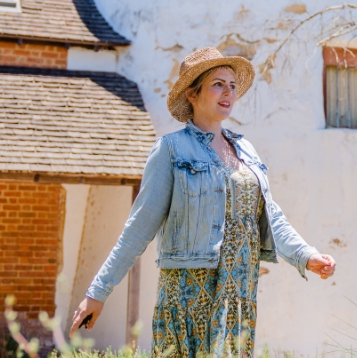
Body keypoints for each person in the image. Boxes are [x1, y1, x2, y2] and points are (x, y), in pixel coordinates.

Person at [69, 47, 337, 357]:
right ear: (192, 96)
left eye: (232, 85)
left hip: (238, 295)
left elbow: (271, 216)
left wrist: (306, 255)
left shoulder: (246, 150)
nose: (228, 92)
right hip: (188, 297)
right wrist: (97, 293)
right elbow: (138, 228)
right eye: (218, 84)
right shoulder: (171, 150)